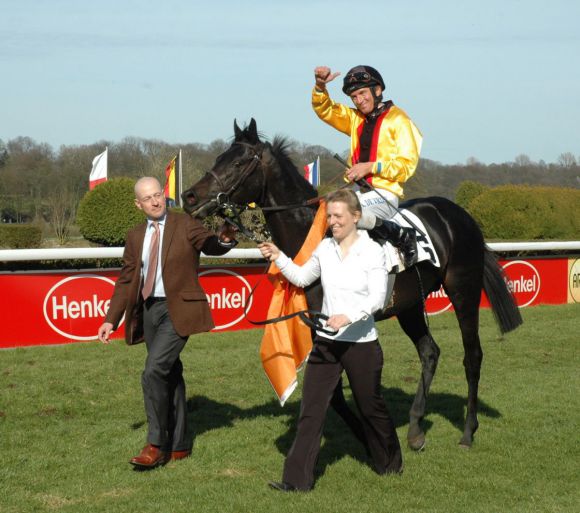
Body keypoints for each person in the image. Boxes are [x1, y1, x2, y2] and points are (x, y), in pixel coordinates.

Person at [258, 189, 402, 492]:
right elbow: (300, 278)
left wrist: (348, 316)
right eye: (330, 216)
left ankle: (390, 463)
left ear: (355, 217)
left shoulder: (374, 251)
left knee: (370, 406)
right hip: (325, 344)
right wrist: (279, 256)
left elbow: (378, 298)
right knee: (311, 410)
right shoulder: (324, 248)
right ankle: (296, 482)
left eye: (338, 216)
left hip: (361, 344)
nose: (332, 221)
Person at [97, 177, 237, 469]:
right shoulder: (135, 236)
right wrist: (112, 319)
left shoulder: (184, 224)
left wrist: (223, 239)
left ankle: (155, 444)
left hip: (179, 310)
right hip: (149, 312)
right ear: (139, 204)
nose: (155, 201)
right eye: (148, 198)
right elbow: (126, 280)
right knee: (169, 374)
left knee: (153, 371)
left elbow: (209, 244)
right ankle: (181, 444)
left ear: (164, 194)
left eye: (158, 194)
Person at [312, 64, 423, 267]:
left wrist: (370, 167)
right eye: (354, 97)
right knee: (322, 212)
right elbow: (326, 110)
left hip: (385, 194)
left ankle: (403, 235)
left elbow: (407, 166)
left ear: (377, 90)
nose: (359, 100)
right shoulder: (355, 119)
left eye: (362, 93)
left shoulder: (399, 119)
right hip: (357, 193)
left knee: (343, 213)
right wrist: (320, 87)